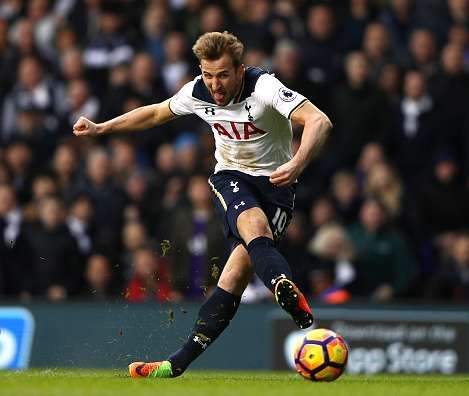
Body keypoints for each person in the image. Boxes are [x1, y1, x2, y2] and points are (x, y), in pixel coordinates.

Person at [72, 31, 332, 378]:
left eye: (223, 75)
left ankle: (175, 364)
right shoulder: (196, 90)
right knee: (254, 227)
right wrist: (102, 127)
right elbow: (155, 113)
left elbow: (319, 121)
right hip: (231, 177)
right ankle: (283, 286)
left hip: (277, 185)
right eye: (208, 74)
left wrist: (297, 163)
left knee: (236, 274)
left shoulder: (264, 87)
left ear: (240, 69)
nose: (215, 84)